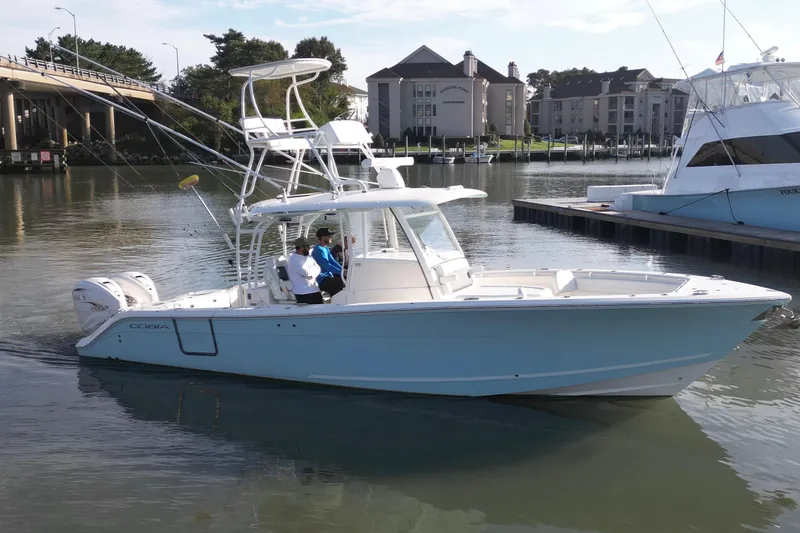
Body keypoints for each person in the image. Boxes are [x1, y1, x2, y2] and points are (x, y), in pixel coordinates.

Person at [286, 237, 323, 304]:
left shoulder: (308, 257)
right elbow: (307, 273)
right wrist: (312, 273)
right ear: (301, 247)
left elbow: (318, 268)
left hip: (315, 290)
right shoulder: (294, 260)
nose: (309, 249)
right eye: (308, 246)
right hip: (304, 293)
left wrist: (312, 275)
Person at [311, 227, 346, 297]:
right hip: (321, 279)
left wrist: (343, 270)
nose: (331, 237)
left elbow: (332, 261)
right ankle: (337, 301)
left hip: (328, 276)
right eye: (329, 236)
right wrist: (342, 272)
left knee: (345, 278)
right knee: (342, 282)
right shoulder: (318, 250)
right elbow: (327, 266)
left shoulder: (325, 248)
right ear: (323, 237)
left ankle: (339, 298)